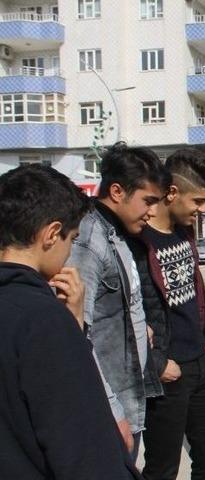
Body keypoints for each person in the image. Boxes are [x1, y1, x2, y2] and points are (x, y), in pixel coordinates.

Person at [0, 165, 143, 479]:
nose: (69, 254)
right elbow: (84, 450)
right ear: (52, 234)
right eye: (72, 239)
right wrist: (71, 330)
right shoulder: (43, 320)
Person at [66, 142, 170, 458]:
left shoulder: (116, 233)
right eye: (148, 201)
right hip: (107, 410)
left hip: (127, 400)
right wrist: (113, 411)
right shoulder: (88, 239)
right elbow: (76, 333)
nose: (153, 211)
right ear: (116, 191)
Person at [137, 148, 205, 479]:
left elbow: (195, 293)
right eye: (198, 201)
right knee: (162, 469)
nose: (203, 210)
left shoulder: (184, 232)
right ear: (172, 192)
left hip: (200, 364)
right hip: (167, 375)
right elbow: (130, 314)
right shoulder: (139, 240)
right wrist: (158, 364)